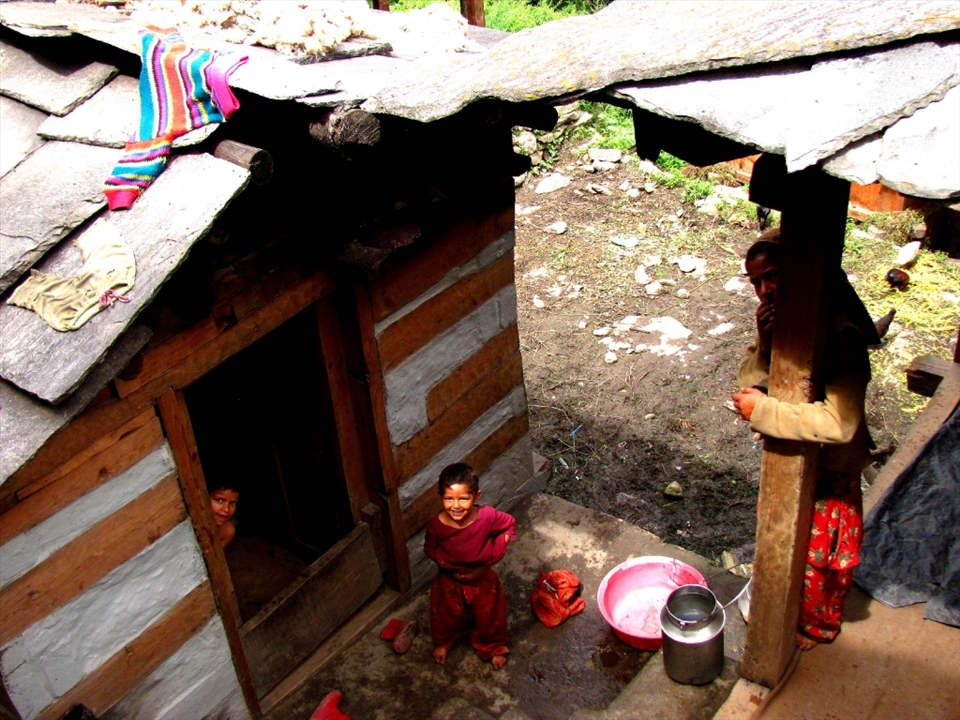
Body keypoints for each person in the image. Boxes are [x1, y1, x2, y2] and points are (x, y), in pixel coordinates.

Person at [732, 231, 879, 650]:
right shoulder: (788, 321)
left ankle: (813, 628)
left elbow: (840, 424)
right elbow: (757, 379)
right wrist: (765, 345)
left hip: (830, 467)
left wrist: (763, 412)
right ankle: (785, 607)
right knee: (782, 536)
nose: (765, 290)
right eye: (756, 283)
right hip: (791, 453)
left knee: (820, 553)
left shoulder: (841, 333)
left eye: (773, 276)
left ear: (804, 273)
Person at [424, 463, 517, 670]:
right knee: (445, 614)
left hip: (483, 579)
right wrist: (448, 565)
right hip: (449, 580)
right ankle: (444, 642)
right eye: (449, 498)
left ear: (477, 496)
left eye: (463, 498)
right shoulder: (435, 525)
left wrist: (498, 548)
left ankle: (492, 646)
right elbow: (430, 549)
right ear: (440, 496)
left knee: (489, 614)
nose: (455, 505)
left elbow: (509, 524)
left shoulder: (487, 517)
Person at [209, 483, 240, 549]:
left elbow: (214, 556)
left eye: (232, 503)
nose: (226, 509)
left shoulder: (227, 531)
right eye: (219, 500)